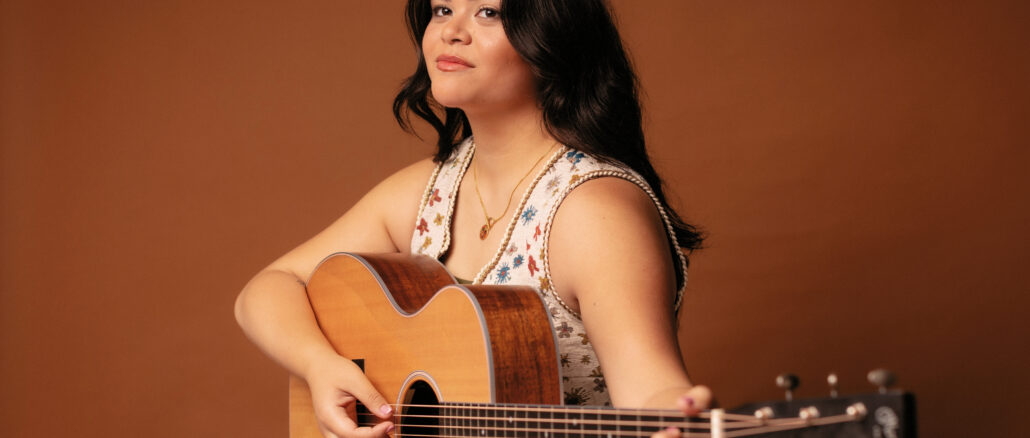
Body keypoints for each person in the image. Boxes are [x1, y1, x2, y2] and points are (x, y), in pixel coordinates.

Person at [235, 0, 712, 437]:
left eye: (489, 12)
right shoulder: (428, 192)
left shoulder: (592, 211)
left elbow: (651, 390)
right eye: (442, 9)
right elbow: (267, 289)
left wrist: (678, 416)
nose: (452, 31)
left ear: (553, 36)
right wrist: (319, 365)